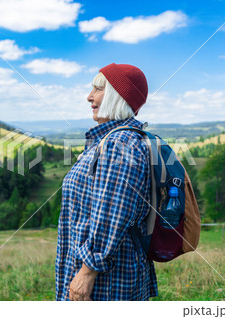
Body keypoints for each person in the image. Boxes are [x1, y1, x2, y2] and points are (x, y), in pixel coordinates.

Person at [55, 63, 158, 301]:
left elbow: (112, 213)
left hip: (106, 281)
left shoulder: (119, 144)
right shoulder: (114, 140)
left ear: (117, 96)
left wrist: (86, 272)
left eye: (98, 89)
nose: (89, 96)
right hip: (106, 274)